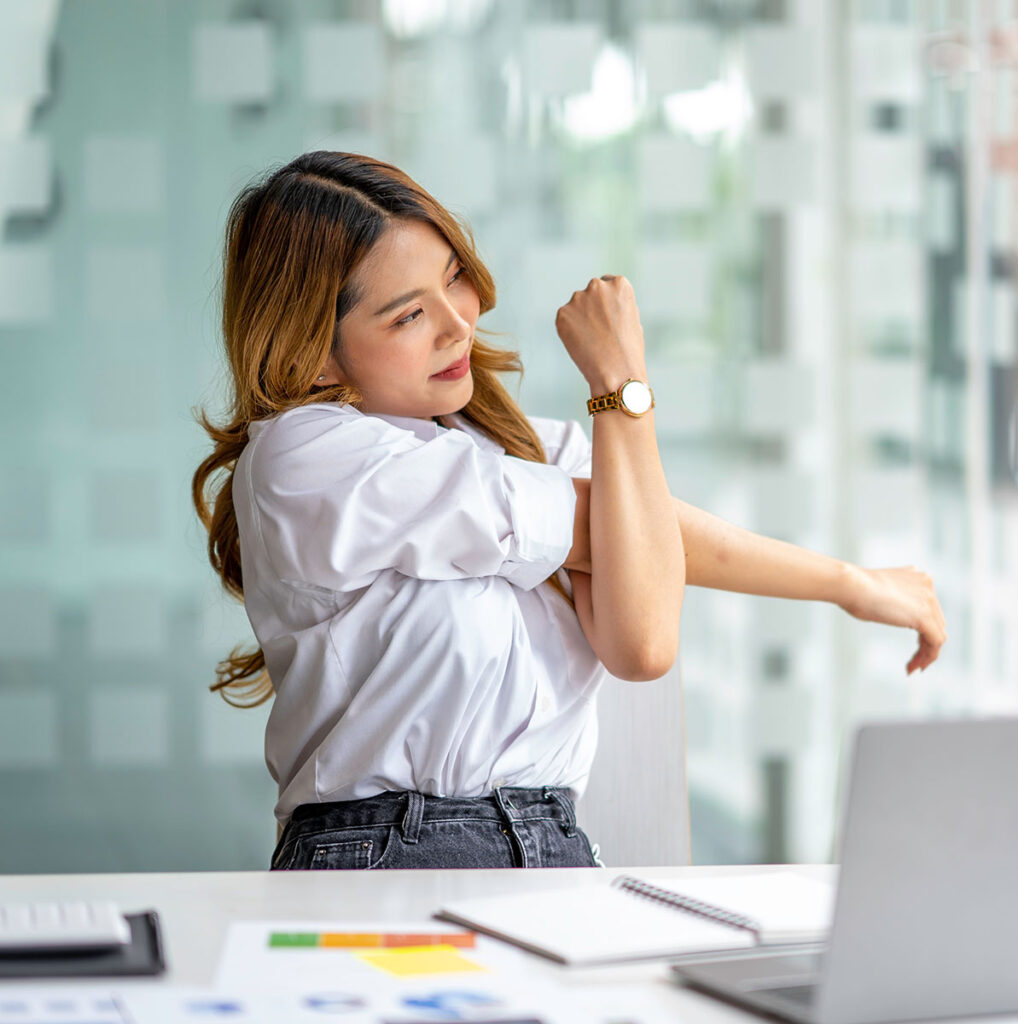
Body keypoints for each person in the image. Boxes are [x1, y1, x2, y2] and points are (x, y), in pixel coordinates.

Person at [191, 151, 947, 871]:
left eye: (455, 279)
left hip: (556, 847)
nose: (459, 323)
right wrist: (620, 383)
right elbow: (629, 547)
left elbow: (641, 638)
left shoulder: (529, 450)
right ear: (318, 353)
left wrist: (854, 582)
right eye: (406, 316)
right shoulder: (306, 456)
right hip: (384, 851)